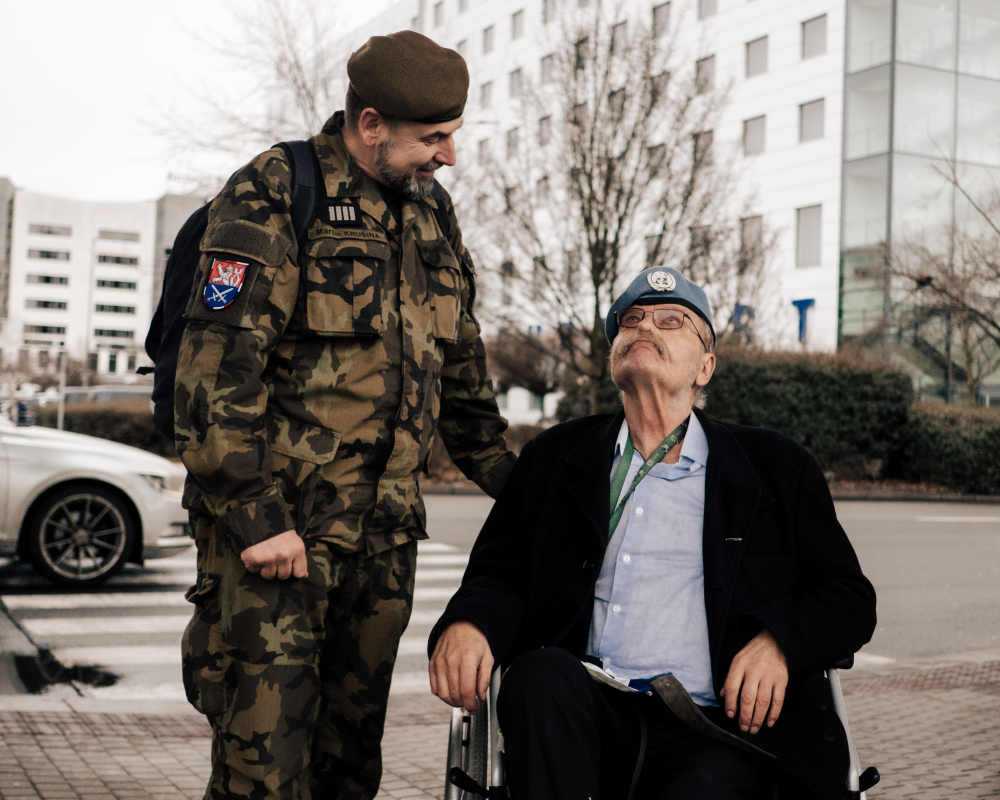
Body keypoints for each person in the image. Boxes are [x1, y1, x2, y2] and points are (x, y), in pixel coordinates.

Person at [176, 31, 516, 800]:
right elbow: (213, 375)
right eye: (434, 137)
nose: (449, 156)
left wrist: (533, 487)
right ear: (371, 125)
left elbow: (463, 382)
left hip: (382, 550)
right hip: (280, 548)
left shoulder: (432, 213)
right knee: (262, 775)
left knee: (349, 769)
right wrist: (257, 518)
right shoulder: (276, 189)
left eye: (453, 135)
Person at [428, 266, 877, 800]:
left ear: (705, 367)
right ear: (614, 356)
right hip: (588, 712)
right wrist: (470, 623)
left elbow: (847, 597)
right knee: (539, 677)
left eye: (671, 321)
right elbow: (499, 574)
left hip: (717, 727)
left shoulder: (776, 468)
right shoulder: (554, 459)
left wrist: (778, 642)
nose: (644, 326)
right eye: (632, 319)